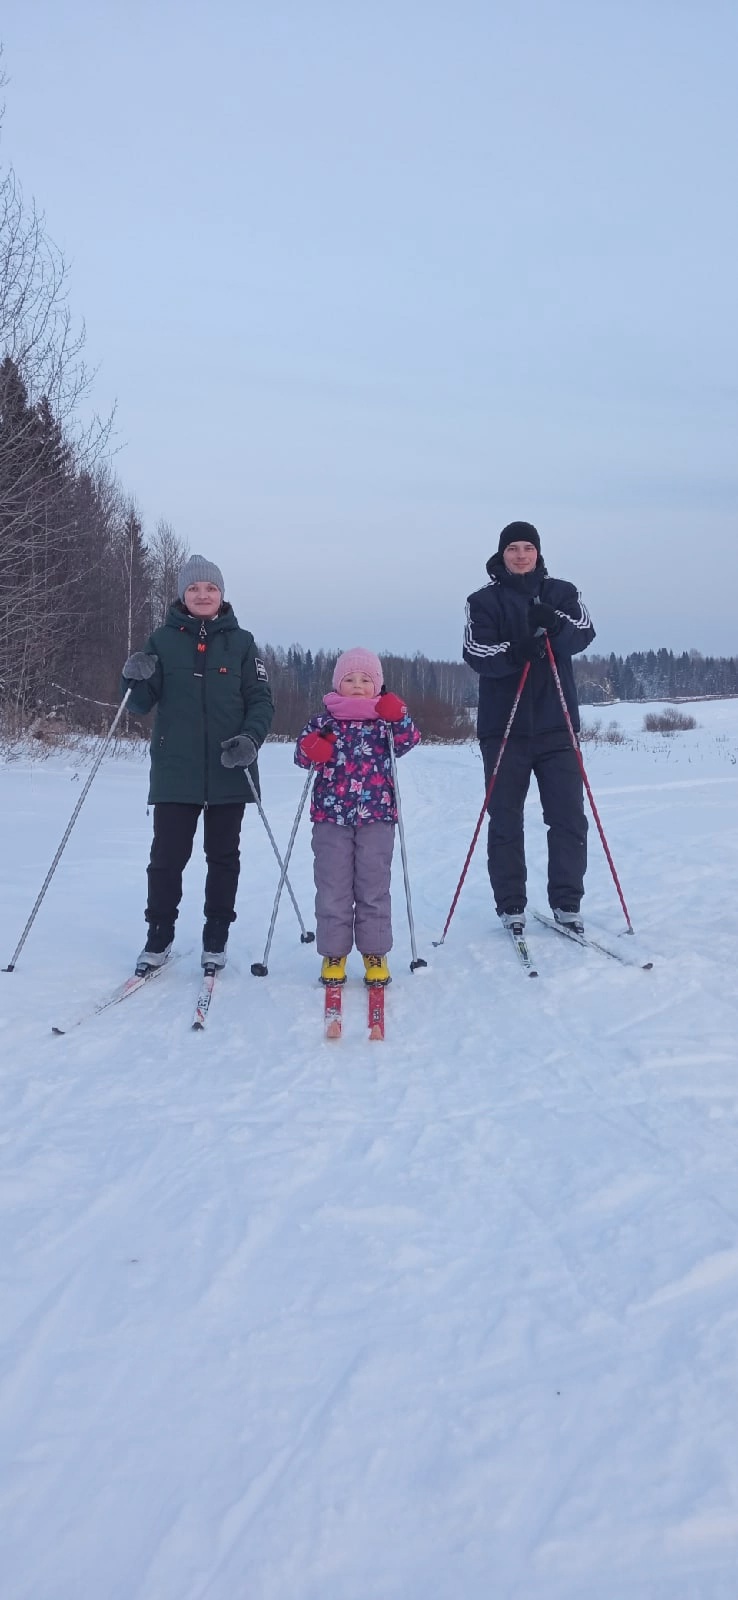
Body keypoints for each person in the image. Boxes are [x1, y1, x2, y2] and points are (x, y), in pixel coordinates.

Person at [121, 554, 274, 970]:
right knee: (167, 857)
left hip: (231, 767)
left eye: (210, 588)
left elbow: (260, 700)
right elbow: (137, 703)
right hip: (176, 769)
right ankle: (158, 937)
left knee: (223, 856)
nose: (202, 595)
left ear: (221, 594)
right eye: (194, 589)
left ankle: (216, 938)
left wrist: (250, 739)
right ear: (182, 595)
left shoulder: (242, 642)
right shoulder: (162, 640)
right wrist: (132, 675)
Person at [463, 520, 595, 934]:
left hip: (557, 726)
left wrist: (553, 624)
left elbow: (584, 634)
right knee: (505, 818)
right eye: (512, 548)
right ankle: (511, 905)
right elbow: (476, 652)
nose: (520, 555)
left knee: (568, 817)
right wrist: (517, 649)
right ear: (501, 554)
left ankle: (567, 902)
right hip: (504, 729)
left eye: (528, 548)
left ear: (538, 552)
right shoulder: (482, 601)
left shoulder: (563, 593)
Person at [294, 647, 420, 986]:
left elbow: (410, 741)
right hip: (330, 817)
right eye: (349, 679)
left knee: (373, 886)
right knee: (332, 887)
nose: (358, 685)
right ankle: (334, 953)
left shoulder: (384, 721)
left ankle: (375, 951)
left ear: (377, 684)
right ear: (338, 684)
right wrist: (311, 750)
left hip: (377, 816)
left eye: (366, 679)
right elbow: (302, 757)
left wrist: (400, 717)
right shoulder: (324, 721)